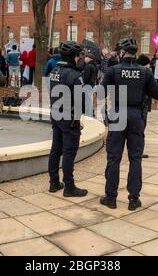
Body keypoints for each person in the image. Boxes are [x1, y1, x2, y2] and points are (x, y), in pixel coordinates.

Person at [100, 38, 158, 211]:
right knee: (135, 158)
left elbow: (100, 94)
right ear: (135, 54)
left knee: (114, 158)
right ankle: (133, 199)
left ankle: (111, 198)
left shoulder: (113, 70)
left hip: (118, 113)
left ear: (121, 53)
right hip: (136, 116)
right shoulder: (145, 72)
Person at [48, 41, 88, 198]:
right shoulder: (74, 75)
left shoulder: (54, 70)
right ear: (74, 57)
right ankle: (69, 186)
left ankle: (54, 182)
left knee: (55, 150)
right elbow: (81, 101)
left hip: (55, 114)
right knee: (69, 153)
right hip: (69, 117)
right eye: (79, 56)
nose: (80, 59)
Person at [82, 48, 99, 117]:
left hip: (88, 85)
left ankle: (88, 115)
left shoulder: (89, 66)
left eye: (86, 57)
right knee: (89, 100)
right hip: (92, 84)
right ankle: (90, 114)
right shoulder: (94, 65)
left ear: (90, 58)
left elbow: (85, 78)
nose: (85, 58)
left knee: (88, 101)